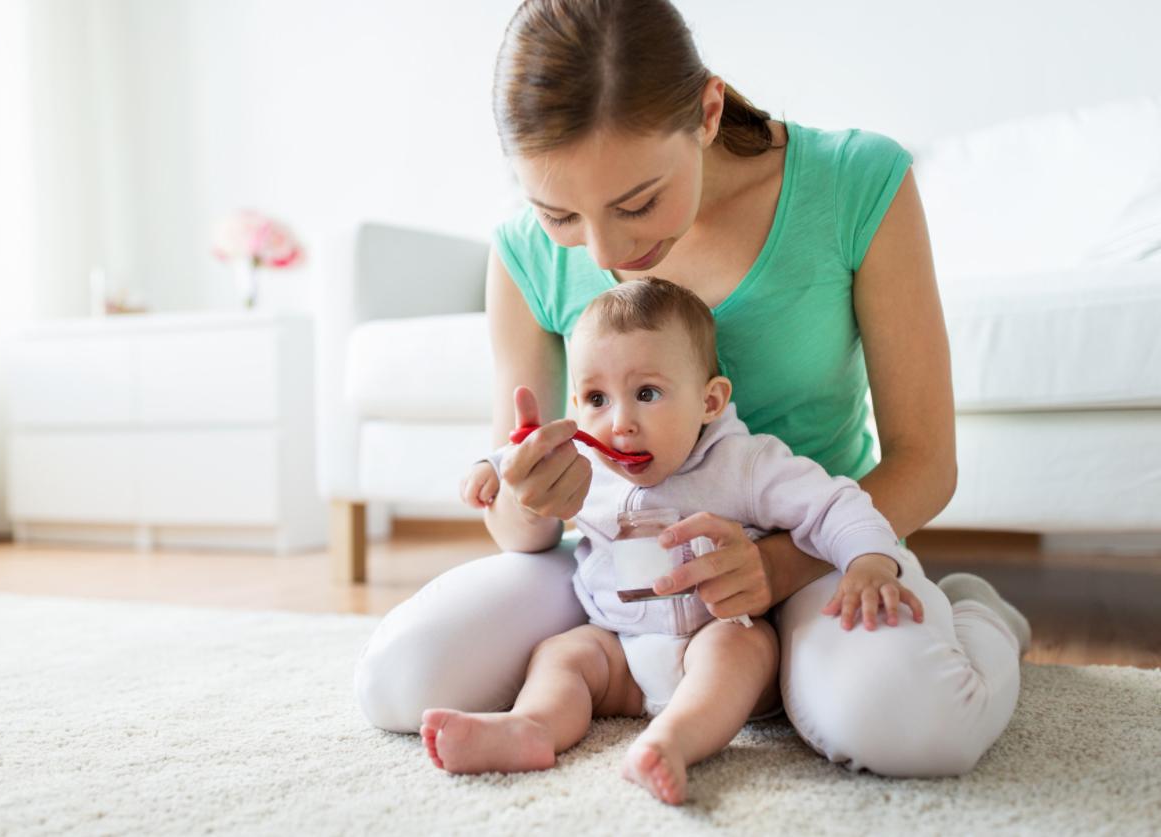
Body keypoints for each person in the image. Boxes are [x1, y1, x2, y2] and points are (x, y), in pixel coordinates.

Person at [356, 0, 1031, 777]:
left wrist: (772, 568)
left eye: (638, 202)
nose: (611, 250)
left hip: (815, 550)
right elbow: (523, 528)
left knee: (915, 727)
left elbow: (926, 463)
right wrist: (529, 495)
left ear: (707, 112)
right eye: (560, 213)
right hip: (617, 561)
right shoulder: (519, 255)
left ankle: (981, 617)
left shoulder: (857, 182)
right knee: (397, 681)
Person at [424, 278, 927, 806]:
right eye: (597, 398)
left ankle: (671, 743)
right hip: (618, 648)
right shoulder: (584, 466)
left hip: (713, 637)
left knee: (743, 648)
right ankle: (532, 727)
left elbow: (832, 505)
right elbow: (522, 452)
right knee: (562, 655)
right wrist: (491, 470)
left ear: (709, 401)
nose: (620, 424)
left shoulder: (745, 464)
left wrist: (870, 560)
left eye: (647, 394)